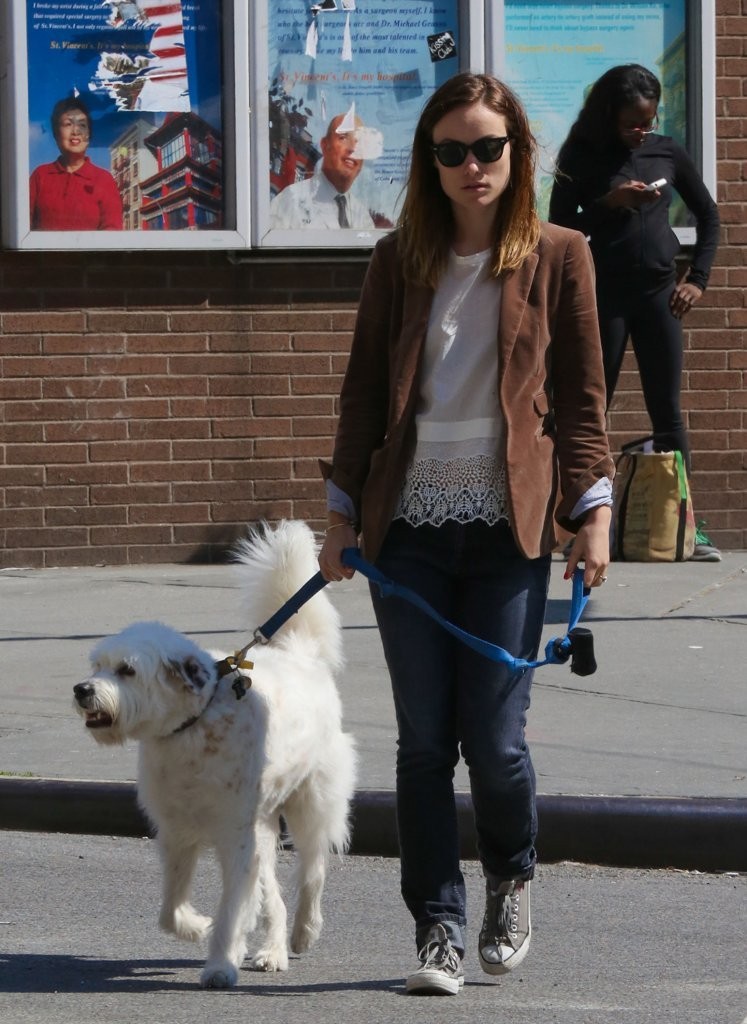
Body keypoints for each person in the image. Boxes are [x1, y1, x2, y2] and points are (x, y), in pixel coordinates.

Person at [317, 72, 613, 995]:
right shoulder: (396, 259)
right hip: (405, 528)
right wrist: (339, 516)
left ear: (516, 152)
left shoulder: (560, 254)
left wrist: (594, 512)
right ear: (429, 163)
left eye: (487, 147)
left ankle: (511, 876)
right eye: (451, 151)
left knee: (494, 740)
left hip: (507, 530)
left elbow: (583, 401)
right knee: (421, 744)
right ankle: (436, 928)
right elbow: (364, 396)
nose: (471, 165)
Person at [548, 64, 721, 561]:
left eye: (649, 121)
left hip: (660, 296)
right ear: (609, 116)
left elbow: (709, 216)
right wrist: (609, 203)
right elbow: (558, 227)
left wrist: (697, 280)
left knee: (667, 410)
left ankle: (686, 528)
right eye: (632, 124)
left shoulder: (666, 151)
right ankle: (576, 525)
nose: (642, 131)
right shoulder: (581, 156)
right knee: (590, 410)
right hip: (603, 298)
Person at [268, 112, 377, 230]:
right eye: (343, 138)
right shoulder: (289, 202)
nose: (353, 148)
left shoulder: (362, 217)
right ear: (325, 145)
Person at [29, 97, 123, 231]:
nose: (76, 131)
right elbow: (23, 227)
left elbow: (112, 231)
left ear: (89, 135)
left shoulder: (104, 179)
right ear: (56, 133)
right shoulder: (40, 176)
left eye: (82, 125)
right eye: (68, 124)